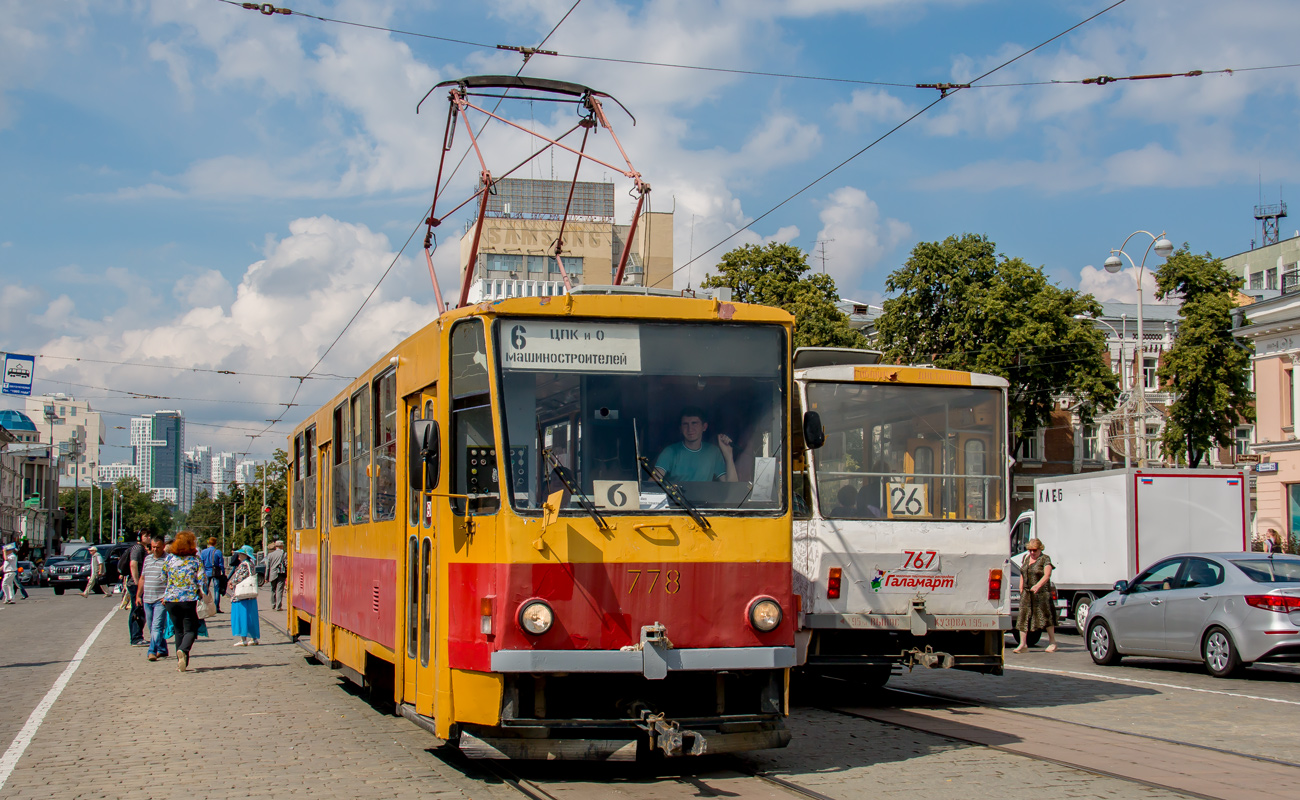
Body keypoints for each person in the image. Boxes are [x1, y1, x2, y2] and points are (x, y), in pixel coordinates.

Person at [653, 406, 738, 483]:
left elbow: (731, 487)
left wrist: (728, 455)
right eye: (685, 424)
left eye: (694, 423)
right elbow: (653, 483)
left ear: (704, 427)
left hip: (703, 499)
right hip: (676, 500)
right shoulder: (670, 451)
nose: (690, 429)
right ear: (680, 429)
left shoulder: (713, 452)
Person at [161, 531, 206, 671]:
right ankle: (183, 649)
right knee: (191, 628)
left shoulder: (169, 559)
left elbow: (163, 577)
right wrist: (201, 591)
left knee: (178, 630)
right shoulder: (195, 560)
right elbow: (202, 580)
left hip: (170, 599)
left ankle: (181, 662)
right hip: (188, 599)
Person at [1014, 537, 1058, 653]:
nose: (1032, 553)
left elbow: (1047, 575)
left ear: (1040, 549)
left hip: (1042, 593)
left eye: (1035, 550)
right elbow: (1023, 573)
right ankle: (1023, 644)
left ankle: (1052, 642)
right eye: (1030, 550)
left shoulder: (1045, 559)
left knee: (1046, 617)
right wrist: (1021, 587)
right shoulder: (1026, 558)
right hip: (1027, 593)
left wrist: (1038, 586)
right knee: (1023, 616)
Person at [136, 535, 170, 662]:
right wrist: (138, 595)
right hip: (147, 598)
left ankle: (152, 651)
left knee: (156, 627)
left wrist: (167, 596)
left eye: (158, 547)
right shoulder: (148, 559)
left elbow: (172, 581)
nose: (155, 549)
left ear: (163, 546)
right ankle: (162, 648)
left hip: (160, 599)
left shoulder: (168, 560)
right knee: (151, 626)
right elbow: (143, 578)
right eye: (153, 547)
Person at [226, 545, 260, 646]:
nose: (238, 556)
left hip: (241, 595)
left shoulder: (243, 565)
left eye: (240, 554)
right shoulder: (251, 564)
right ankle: (254, 638)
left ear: (245, 555)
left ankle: (243, 639)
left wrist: (231, 582)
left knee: (241, 616)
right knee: (251, 617)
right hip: (250, 596)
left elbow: (238, 578)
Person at [126, 533, 150, 646]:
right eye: (146, 536)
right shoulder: (137, 548)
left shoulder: (142, 549)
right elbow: (133, 564)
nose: (148, 538)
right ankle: (136, 637)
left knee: (139, 610)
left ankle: (138, 635)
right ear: (139, 538)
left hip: (138, 584)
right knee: (137, 611)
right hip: (135, 584)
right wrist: (137, 582)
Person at [199, 537, 225, 614]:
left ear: (208, 543)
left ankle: (205, 605)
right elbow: (221, 564)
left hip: (206, 572)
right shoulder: (218, 552)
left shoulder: (203, 552)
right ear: (215, 543)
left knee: (205, 589)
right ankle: (216, 607)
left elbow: (201, 563)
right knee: (216, 589)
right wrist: (223, 572)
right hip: (216, 572)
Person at [265, 540, 288, 611]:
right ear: (282, 546)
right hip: (281, 573)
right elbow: (286, 564)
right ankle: (278, 606)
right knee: (279, 590)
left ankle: (273, 605)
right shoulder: (284, 554)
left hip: (272, 574)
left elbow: (268, 567)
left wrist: (266, 577)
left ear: (276, 547)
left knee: (273, 590)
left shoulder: (270, 555)